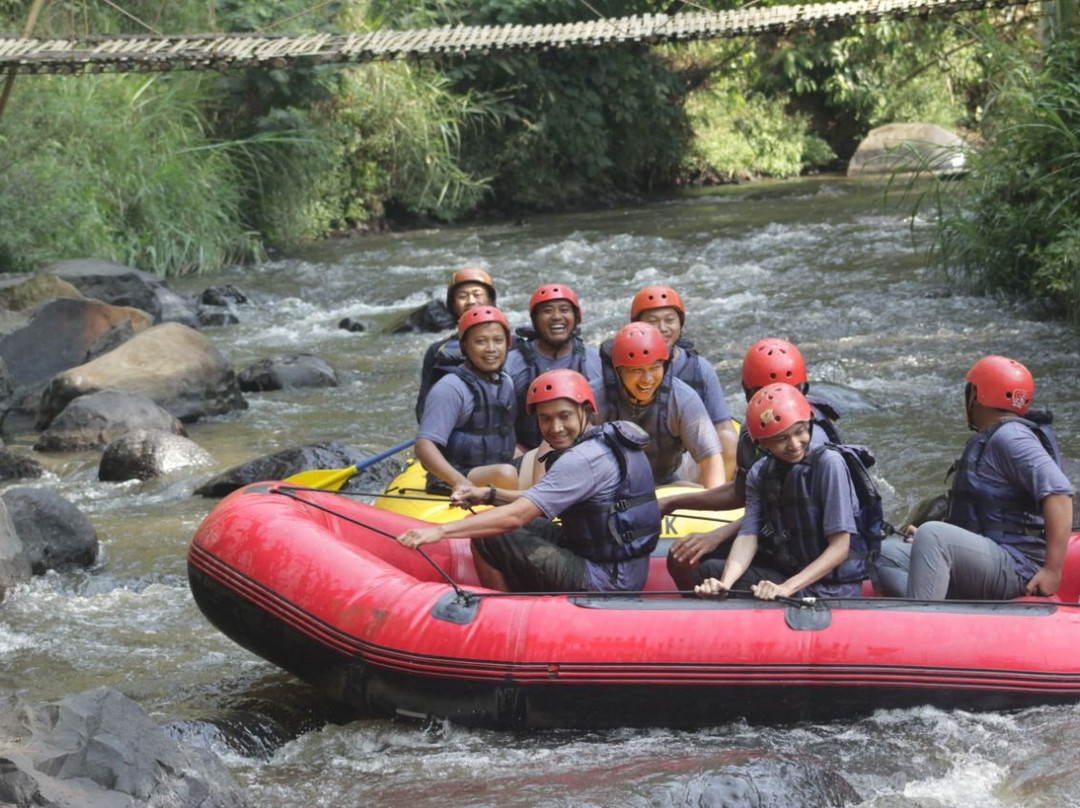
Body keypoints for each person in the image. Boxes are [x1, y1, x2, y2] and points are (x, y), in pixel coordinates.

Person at [397, 369, 661, 593]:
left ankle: (503, 614)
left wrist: (439, 531)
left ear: (586, 410)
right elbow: (537, 500)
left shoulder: (582, 460)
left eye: (564, 415)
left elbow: (516, 516)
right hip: (621, 565)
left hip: (607, 580)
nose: (555, 428)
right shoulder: (606, 441)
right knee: (517, 525)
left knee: (491, 538)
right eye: (545, 419)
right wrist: (488, 495)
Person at [880, 355, 1073, 600]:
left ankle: (927, 621)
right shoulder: (1001, 435)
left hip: (1018, 565)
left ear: (976, 396)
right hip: (994, 557)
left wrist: (1052, 570)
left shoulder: (1012, 438)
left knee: (933, 536)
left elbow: (1059, 494)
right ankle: (942, 601)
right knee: (882, 553)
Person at [661, 337, 842, 589]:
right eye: (763, 395)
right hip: (780, 540)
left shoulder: (817, 452)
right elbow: (747, 498)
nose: (774, 404)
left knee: (707, 569)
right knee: (685, 558)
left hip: (812, 558)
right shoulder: (754, 438)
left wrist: (721, 534)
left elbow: (831, 537)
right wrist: (675, 502)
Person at [694, 383, 872, 601]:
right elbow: (749, 535)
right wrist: (725, 585)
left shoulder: (829, 464)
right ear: (764, 444)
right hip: (793, 572)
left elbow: (840, 548)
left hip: (831, 588)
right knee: (710, 571)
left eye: (800, 432)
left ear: (809, 425)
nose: (794, 444)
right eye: (781, 439)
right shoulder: (760, 472)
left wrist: (786, 588)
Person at [593, 322, 726, 489]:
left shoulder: (682, 397)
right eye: (636, 370)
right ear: (618, 371)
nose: (647, 379)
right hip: (608, 490)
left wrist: (712, 508)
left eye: (655, 367)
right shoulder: (594, 397)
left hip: (664, 484)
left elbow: (710, 458)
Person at [630, 285, 738, 481]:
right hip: (631, 462)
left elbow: (724, 429)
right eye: (652, 321)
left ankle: (714, 501)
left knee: (728, 439)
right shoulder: (620, 367)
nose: (662, 328)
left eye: (669, 320)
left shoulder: (699, 369)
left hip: (681, 460)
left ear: (680, 324)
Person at [415, 305, 518, 495]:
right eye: (480, 341)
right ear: (464, 346)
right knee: (506, 474)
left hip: (495, 470)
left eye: (498, 341)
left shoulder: (506, 382)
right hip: (456, 475)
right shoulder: (451, 388)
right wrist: (459, 481)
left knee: (545, 455)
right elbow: (424, 446)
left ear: (508, 343)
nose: (491, 349)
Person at [504, 283, 602, 450]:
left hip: (585, 451)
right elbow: (501, 424)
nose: (556, 316)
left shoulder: (595, 361)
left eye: (564, 310)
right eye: (547, 311)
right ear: (535, 320)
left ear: (576, 317)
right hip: (528, 453)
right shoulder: (512, 364)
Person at [415, 267, 497, 421]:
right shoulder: (437, 351)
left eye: (477, 294)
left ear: (490, 301)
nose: (471, 301)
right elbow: (423, 408)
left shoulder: (510, 345)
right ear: (453, 305)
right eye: (463, 296)